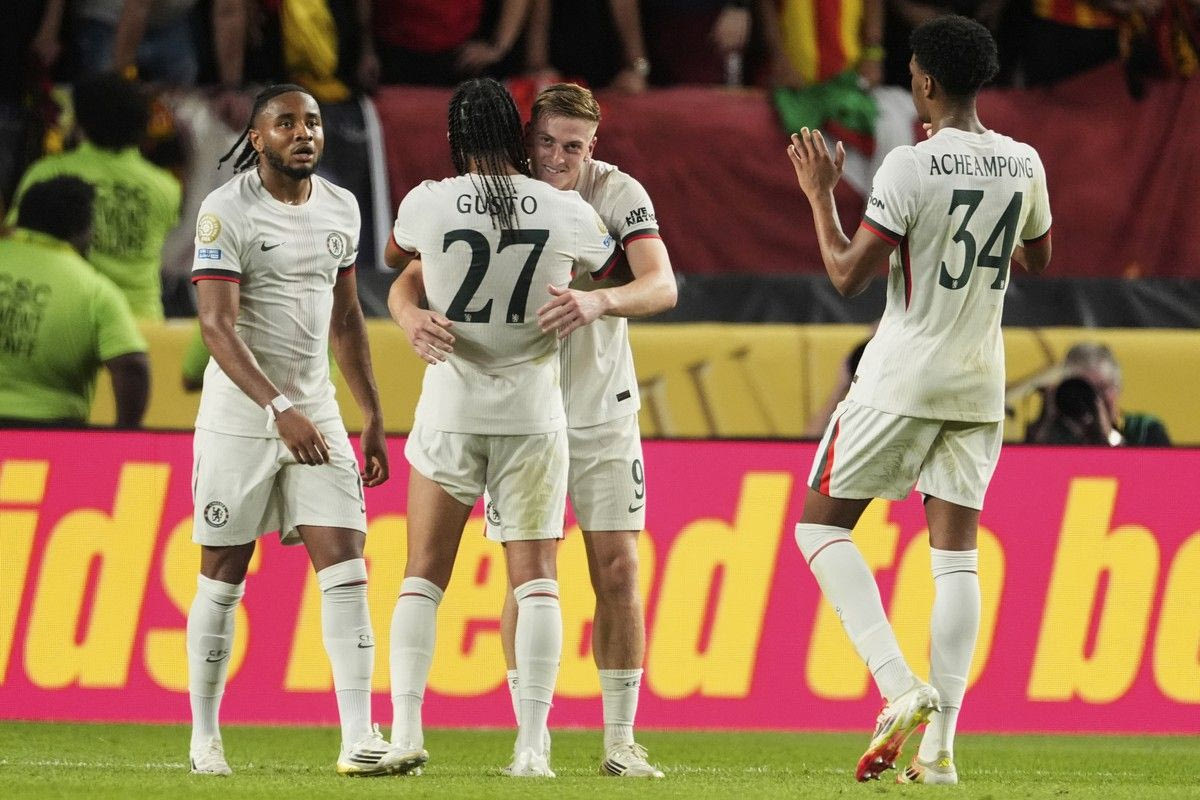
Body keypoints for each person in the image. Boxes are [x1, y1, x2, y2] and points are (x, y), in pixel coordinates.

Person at [786, 15, 1052, 784]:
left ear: (927, 82)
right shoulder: (1023, 162)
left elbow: (846, 275)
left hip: (902, 377)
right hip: (978, 382)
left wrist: (819, 195)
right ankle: (940, 757)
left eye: (911, 74)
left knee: (818, 528)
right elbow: (1039, 257)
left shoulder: (910, 166)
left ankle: (899, 684)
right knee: (956, 560)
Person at [392, 82, 676, 776]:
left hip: (599, 405)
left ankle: (618, 740)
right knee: (529, 571)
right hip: (530, 411)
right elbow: (413, 276)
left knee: (617, 567)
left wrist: (600, 302)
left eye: (572, 146)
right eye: (545, 141)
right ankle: (531, 733)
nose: (556, 156)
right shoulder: (523, 199)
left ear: (593, 147)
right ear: (524, 136)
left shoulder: (616, 192)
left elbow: (662, 284)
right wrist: (406, 314)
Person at [186, 83, 401, 777]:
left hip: (317, 412)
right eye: (286, 122)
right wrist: (279, 408)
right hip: (243, 419)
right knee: (222, 576)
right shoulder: (225, 212)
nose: (304, 132)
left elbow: (347, 319)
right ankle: (205, 736)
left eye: (312, 121)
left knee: (347, 568)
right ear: (256, 138)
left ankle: (359, 737)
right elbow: (216, 326)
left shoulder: (342, 207)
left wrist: (370, 413)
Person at [7, 73, 181, 320]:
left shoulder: (48, 174)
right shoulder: (166, 187)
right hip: (143, 323)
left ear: (82, 122)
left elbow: (14, 240)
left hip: (70, 321)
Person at [0, 176, 149, 428]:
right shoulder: (96, 290)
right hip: (52, 435)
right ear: (82, 229)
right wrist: (125, 433)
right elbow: (132, 367)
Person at [1022, 341, 1171, 446]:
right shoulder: (1050, 432)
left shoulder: (1143, 430)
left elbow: (1160, 476)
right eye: (1081, 389)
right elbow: (1026, 470)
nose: (1090, 398)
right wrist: (1047, 421)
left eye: (1100, 389)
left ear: (1118, 388)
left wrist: (1109, 436)